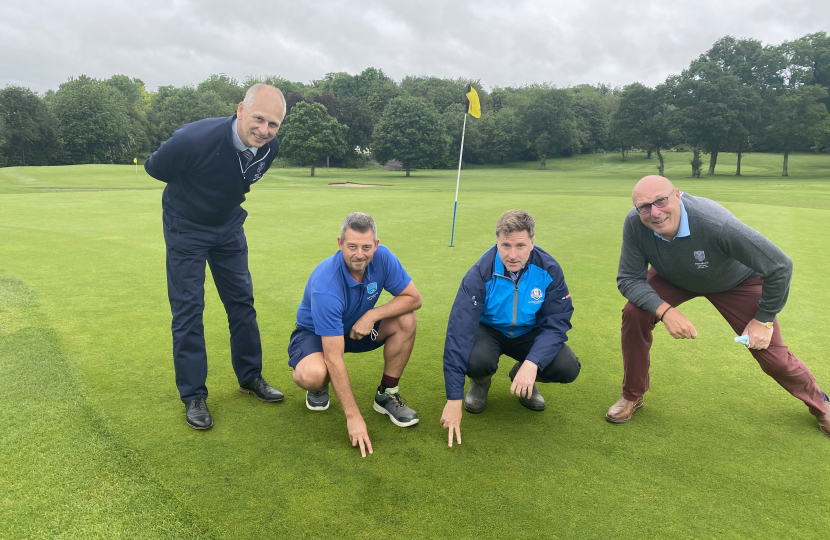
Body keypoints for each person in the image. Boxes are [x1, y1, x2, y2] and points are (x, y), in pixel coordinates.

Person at [608, 175, 829, 437]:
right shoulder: (635, 223)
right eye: (644, 207)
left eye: (661, 201)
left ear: (677, 195)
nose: (654, 213)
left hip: (736, 282)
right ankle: (632, 395)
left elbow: (780, 266)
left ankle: (822, 405)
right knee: (634, 313)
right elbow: (628, 279)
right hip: (673, 277)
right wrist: (665, 311)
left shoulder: (714, 222)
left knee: (773, 357)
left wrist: (764, 319)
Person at [144, 83, 287, 430]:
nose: (264, 130)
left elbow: (242, 181)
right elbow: (155, 168)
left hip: (229, 227)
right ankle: (193, 395)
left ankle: (250, 376)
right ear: (240, 110)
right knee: (189, 309)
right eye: (258, 119)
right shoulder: (193, 139)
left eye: (273, 124)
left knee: (242, 303)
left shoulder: (270, 148)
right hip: (186, 228)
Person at [440, 210, 581, 447]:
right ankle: (480, 382)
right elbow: (458, 334)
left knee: (567, 368)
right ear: (497, 242)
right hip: (490, 331)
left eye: (520, 245)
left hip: (529, 331)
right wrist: (454, 399)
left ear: (532, 243)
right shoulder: (479, 274)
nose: (512, 255)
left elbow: (557, 322)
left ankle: (522, 376)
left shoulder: (549, 269)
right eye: (506, 245)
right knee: (474, 360)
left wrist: (532, 363)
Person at [288, 212, 422, 457]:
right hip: (316, 334)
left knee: (406, 319)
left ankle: (387, 394)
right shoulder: (326, 285)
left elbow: (414, 298)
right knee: (314, 374)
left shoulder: (383, 257)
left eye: (366, 247)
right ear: (340, 244)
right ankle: (320, 386)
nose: (359, 254)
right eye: (352, 246)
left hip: (358, 329)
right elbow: (334, 358)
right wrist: (354, 417)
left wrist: (372, 315)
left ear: (376, 245)